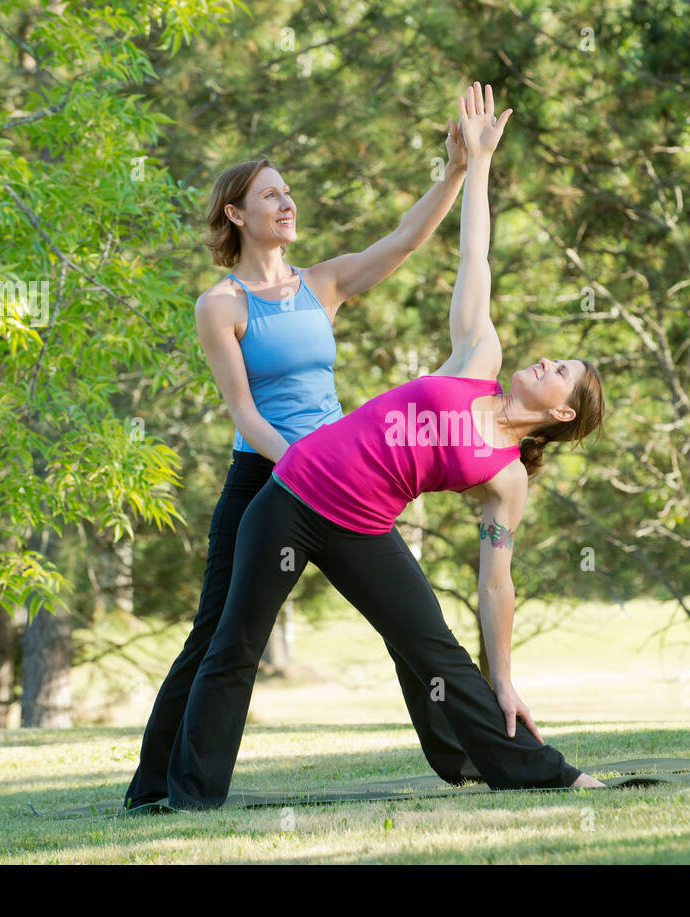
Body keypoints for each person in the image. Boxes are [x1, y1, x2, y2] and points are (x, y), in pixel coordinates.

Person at [165, 82, 607, 809]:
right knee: (232, 645)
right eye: (556, 356)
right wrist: (476, 163)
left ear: (561, 412)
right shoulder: (478, 359)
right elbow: (476, 253)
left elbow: (497, 583)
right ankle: (186, 797)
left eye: (562, 372)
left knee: (433, 648)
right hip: (294, 491)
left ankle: (535, 768)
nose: (547, 361)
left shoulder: (507, 479)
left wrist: (505, 675)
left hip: (363, 522)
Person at [124, 108, 479, 811]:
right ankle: (159, 788)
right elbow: (245, 413)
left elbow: (405, 242)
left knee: (412, 621)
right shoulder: (220, 304)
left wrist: (460, 168)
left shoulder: (321, 284)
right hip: (267, 476)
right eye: (270, 197)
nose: (287, 205)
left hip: (343, 479)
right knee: (219, 638)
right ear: (237, 213)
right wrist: (304, 464)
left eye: (288, 194)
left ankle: (463, 757)